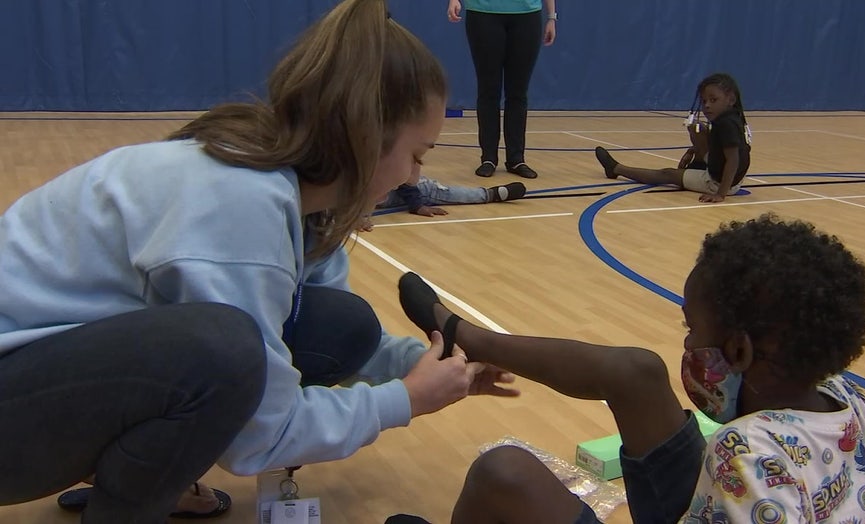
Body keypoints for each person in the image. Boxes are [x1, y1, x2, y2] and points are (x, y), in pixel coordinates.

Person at [0, 1, 517, 522]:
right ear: (365, 137)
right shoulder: (239, 202)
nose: (412, 178)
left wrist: (426, 368)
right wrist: (405, 400)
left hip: (40, 377)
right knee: (222, 349)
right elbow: (260, 435)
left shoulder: (290, 189)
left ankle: (145, 471)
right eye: (418, 155)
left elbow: (312, 351)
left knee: (343, 325)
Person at [393, 213, 865, 523]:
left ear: (738, 352)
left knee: (501, 472)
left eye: (692, 329)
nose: (689, 343)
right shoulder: (848, 399)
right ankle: (466, 335)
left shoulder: (743, 455)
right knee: (638, 371)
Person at [595, 73, 751, 203]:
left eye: (713, 100)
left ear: (730, 99)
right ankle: (698, 163)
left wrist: (720, 194)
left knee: (667, 174)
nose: (707, 106)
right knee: (696, 126)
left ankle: (616, 168)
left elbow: (733, 160)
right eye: (704, 101)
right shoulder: (730, 118)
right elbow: (722, 147)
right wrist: (693, 150)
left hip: (718, 183)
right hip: (728, 174)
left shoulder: (726, 124)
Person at [447, 0, 557, 179]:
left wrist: (551, 17)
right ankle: (488, 158)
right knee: (488, 89)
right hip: (483, 13)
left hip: (527, 15)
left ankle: (516, 158)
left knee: (518, 92)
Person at [359, 168, 526, 230]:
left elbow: (400, 176)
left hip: (405, 190)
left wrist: (417, 205)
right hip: (371, 196)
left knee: (435, 190)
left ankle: (489, 194)